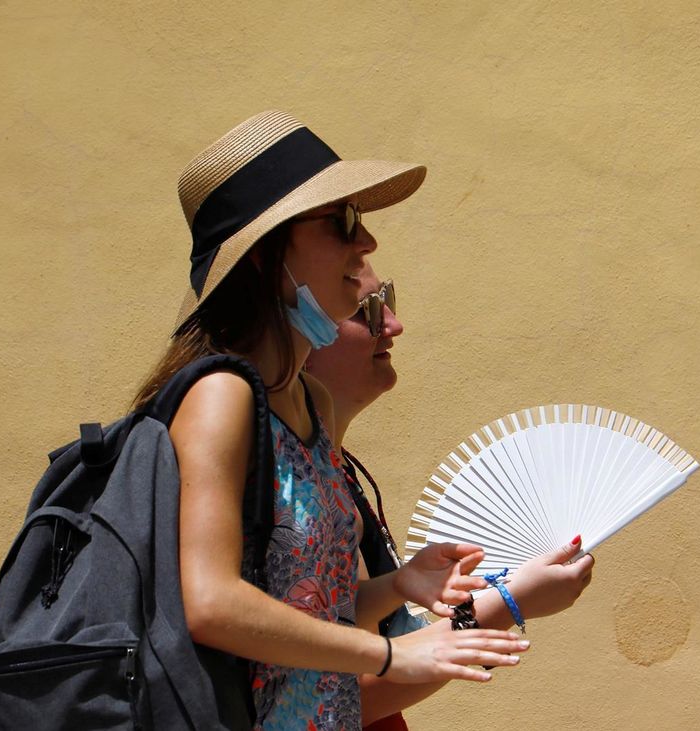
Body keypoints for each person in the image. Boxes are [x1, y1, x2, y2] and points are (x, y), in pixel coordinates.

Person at [133, 111, 531, 730]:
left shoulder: (310, 401)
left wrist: (396, 587)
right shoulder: (221, 395)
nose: (366, 243)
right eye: (342, 222)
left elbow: (306, 610)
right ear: (266, 256)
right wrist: (393, 653)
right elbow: (210, 603)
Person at [305, 265, 597, 729]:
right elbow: (345, 696)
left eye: (389, 299)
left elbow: (361, 635)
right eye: (368, 311)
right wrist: (507, 603)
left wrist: (402, 589)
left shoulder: (332, 468)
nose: (394, 325)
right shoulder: (300, 492)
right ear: (302, 332)